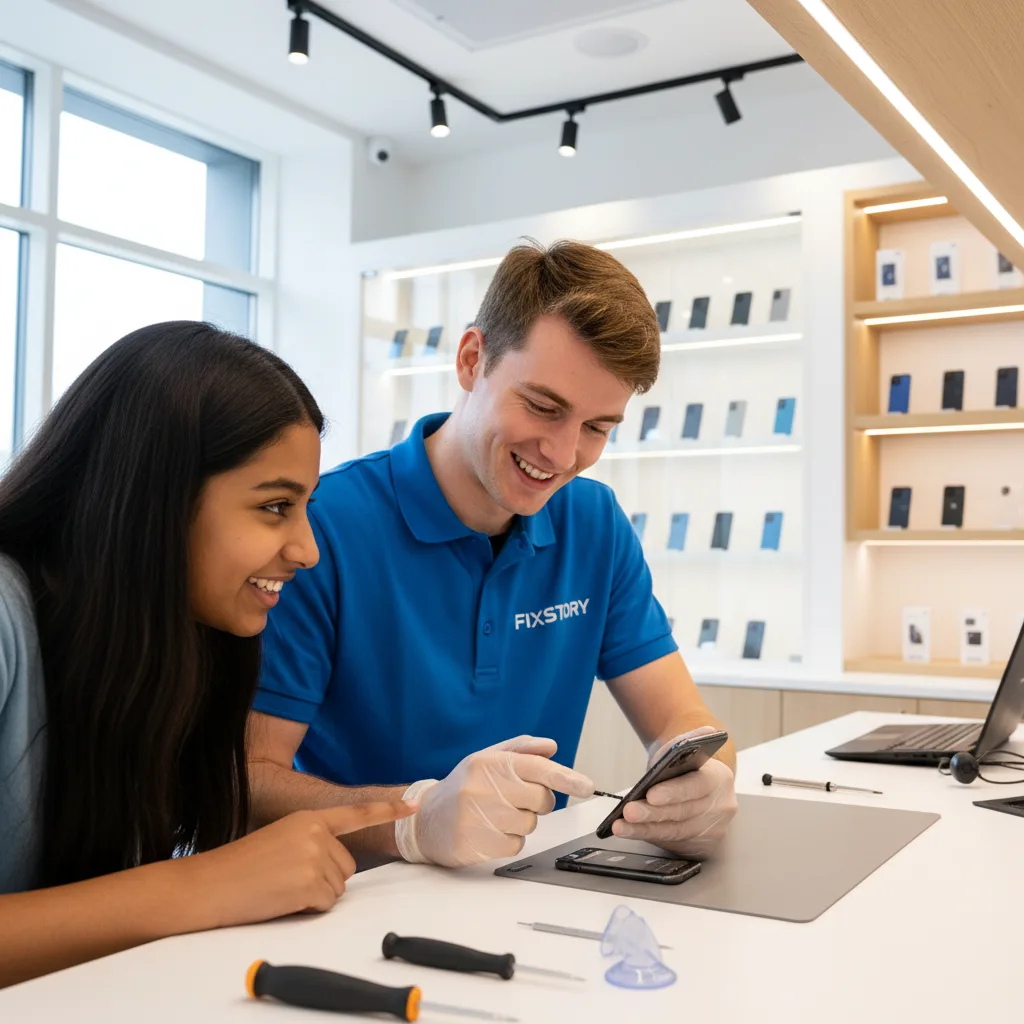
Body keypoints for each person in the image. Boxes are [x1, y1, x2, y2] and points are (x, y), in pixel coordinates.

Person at [249, 240, 738, 869]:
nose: (563, 454)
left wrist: (706, 783)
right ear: (472, 359)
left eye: (597, 428)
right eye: (542, 406)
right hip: (353, 904)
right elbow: (249, 783)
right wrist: (413, 820)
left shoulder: (595, 525)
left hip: (528, 893)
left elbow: (684, 721)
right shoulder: (322, 528)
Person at [0, 322, 414, 988]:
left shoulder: (175, 644)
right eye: (275, 506)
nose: (307, 549)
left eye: (305, 506)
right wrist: (205, 884)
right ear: (154, 496)